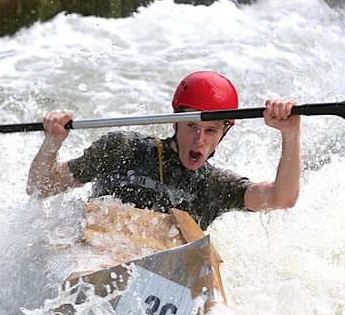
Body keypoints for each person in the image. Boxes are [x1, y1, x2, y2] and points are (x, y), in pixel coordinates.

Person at [26, 71, 301, 229]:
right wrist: (52, 143)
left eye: (210, 131)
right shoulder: (121, 149)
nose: (199, 140)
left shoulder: (213, 185)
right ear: (175, 121)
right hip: (96, 259)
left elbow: (281, 198)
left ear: (223, 133)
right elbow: (40, 187)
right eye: (191, 126)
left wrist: (290, 134)